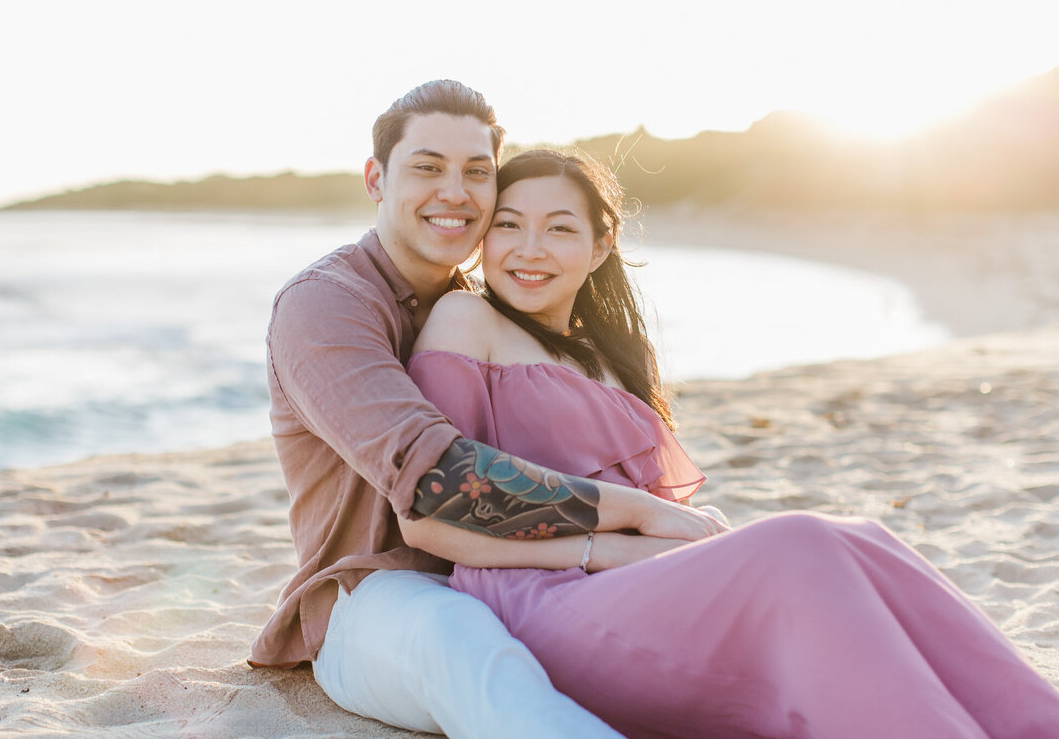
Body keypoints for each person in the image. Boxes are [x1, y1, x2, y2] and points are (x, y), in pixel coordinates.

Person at [400, 148, 1059, 739]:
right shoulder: (468, 323)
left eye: (558, 228)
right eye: (507, 226)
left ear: (600, 247)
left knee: (861, 538)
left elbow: (665, 518)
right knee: (801, 543)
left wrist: (657, 550)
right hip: (538, 601)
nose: (528, 249)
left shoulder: (605, 356)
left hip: (636, 590)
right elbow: (432, 522)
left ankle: (1053, 729)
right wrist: (601, 551)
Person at [249, 81, 723, 738]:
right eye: (426, 167)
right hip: (379, 594)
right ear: (375, 179)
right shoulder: (325, 305)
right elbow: (442, 482)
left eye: (476, 171)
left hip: (525, 576)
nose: (454, 191)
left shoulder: (482, 310)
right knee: (464, 642)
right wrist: (640, 518)